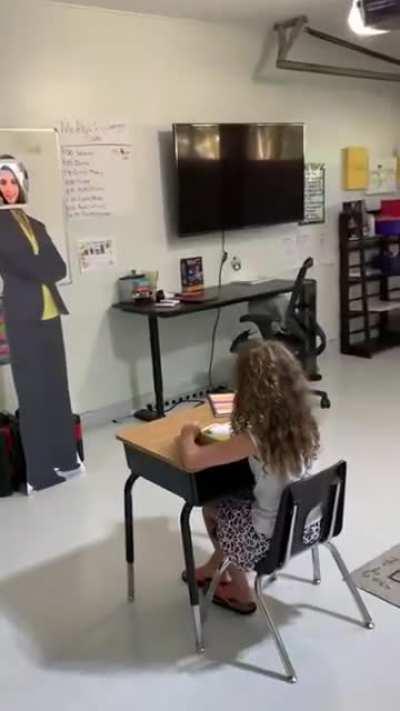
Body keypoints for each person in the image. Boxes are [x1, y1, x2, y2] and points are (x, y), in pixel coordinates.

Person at [176, 340, 320, 614]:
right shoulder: (303, 420)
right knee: (238, 495)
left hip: (271, 539)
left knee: (212, 507)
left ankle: (241, 592)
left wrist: (187, 435)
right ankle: (213, 566)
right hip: (310, 525)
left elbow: (191, 461)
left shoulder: (255, 435)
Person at [0, 154, 81, 491]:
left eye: (12, 182)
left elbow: (58, 267)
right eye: (1, 183)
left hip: (50, 315)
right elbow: (22, 265)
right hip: (22, 317)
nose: (7, 188)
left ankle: (66, 458)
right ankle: (41, 470)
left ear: (22, 184)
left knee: (57, 390)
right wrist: (39, 264)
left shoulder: (36, 224)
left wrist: (39, 265)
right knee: (33, 395)